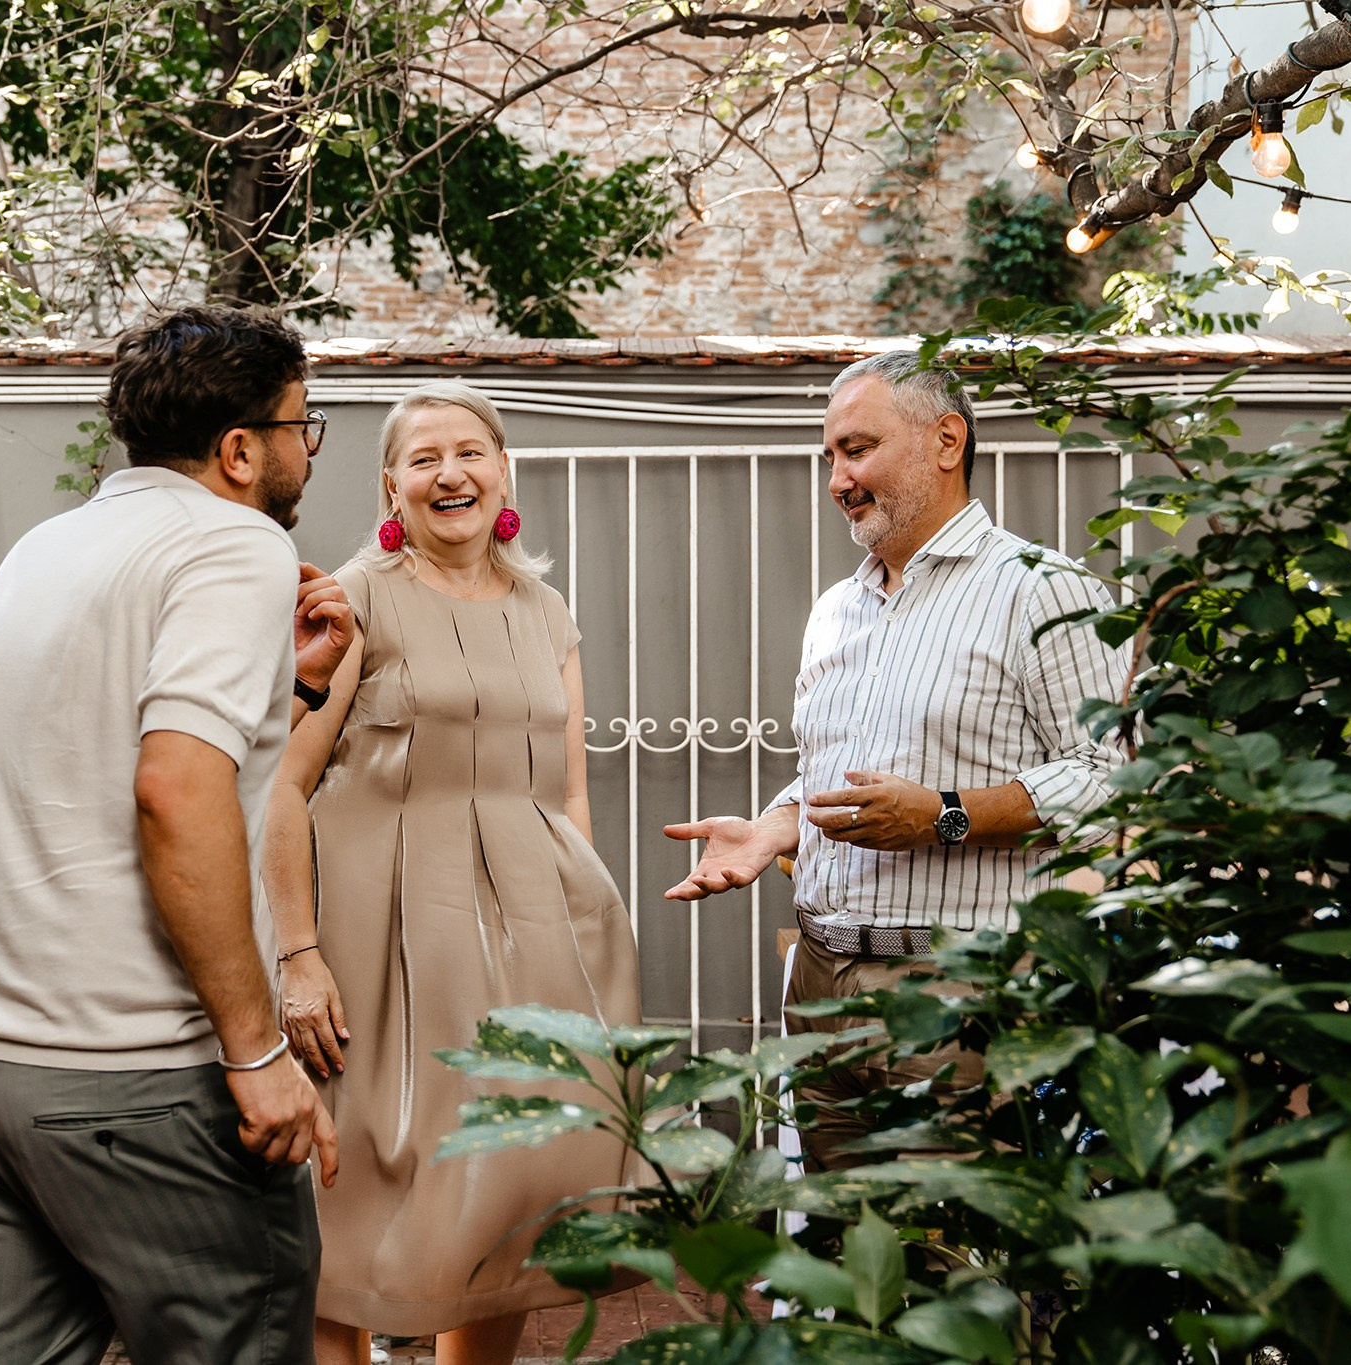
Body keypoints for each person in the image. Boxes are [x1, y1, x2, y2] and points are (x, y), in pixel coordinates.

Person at [0, 305, 351, 1365]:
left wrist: (292, 685)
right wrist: (256, 1053)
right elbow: (172, 792)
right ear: (241, 449)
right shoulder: (232, 541)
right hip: (130, 1087)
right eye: (304, 424)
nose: (308, 448)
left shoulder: (46, 548)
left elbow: (98, 759)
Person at [662, 351, 1130, 1171]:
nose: (838, 478)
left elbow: (1110, 773)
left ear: (946, 440)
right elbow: (835, 771)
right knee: (849, 1264)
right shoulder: (838, 609)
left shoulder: (1044, 589)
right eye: (830, 458)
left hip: (958, 997)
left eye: (857, 448)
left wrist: (945, 814)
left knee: (959, 1271)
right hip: (819, 982)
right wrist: (779, 825)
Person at [267, 381, 642, 1365]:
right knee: (352, 1202)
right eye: (423, 458)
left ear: (502, 469)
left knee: (506, 1197)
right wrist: (296, 952)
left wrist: (585, 939)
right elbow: (281, 785)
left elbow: (566, 795)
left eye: (469, 451)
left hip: (531, 938)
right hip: (374, 940)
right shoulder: (351, 604)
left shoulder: (545, 610)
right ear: (391, 487)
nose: (449, 473)